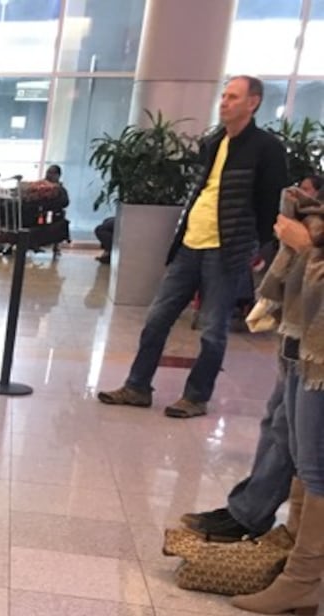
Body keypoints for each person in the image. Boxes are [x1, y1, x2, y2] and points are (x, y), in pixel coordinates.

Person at [99, 75, 288, 418]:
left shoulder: (267, 148)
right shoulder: (214, 141)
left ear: (253, 102)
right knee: (157, 318)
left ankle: (196, 396)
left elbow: (270, 202)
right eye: (224, 96)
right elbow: (201, 191)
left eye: (233, 97)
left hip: (227, 248)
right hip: (190, 243)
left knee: (213, 330)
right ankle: (137, 386)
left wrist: (259, 247)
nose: (224, 102)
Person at [230, 208, 324, 615]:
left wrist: (307, 246)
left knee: (316, 465)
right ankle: (292, 557)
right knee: (305, 460)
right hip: (306, 337)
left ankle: (301, 580)